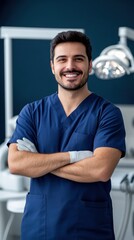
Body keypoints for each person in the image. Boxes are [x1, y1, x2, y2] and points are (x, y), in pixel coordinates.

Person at [7, 30, 126, 240]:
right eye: (62, 59)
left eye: (78, 59)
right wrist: (75, 156)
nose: (70, 66)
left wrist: (38, 163)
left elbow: (100, 169)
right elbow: (17, 164)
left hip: (89, 230)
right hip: (39, 228)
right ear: (53, 66)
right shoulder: (32, 112)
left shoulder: (107, 113)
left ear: (89, 65)